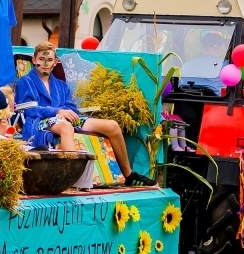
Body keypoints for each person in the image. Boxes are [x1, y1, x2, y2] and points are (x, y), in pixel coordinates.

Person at [16, 41, 155, 187]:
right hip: (40, 120)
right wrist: (56, 111)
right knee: (65, 127)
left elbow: (70, 106)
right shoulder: (26, 82)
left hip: (63, 118)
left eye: (49, 60)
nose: (45, 63)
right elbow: (28, 109)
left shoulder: (61, 85)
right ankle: (74, 178)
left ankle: (129, 174)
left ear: (55, 62)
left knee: (112, 126)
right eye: (41, 59)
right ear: (34, 60)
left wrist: (67, 113)